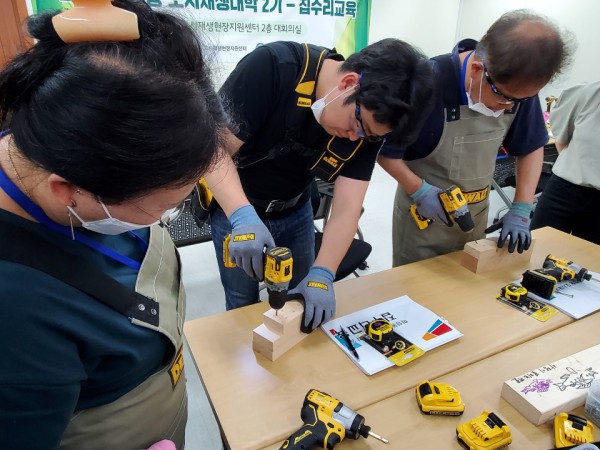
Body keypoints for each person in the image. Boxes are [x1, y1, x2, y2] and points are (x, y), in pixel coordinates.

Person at [0, 0, 228, 448]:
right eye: (161, 210)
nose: (163, 221)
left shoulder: (59, 144)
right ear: (68, 190)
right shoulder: (17, 312)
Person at [202, 39, 434, 331]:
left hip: (296, 212)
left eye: (369, 136)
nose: (354, 138)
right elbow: (213, 151)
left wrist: (323, 272)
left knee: (300, 303)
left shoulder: (367, 127)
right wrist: (242, 216)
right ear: (349, 83)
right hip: (235, 210)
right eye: (357, 125)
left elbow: (348, 207)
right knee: (240, 301)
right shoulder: (274, 67)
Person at [378, 9, 574, 266]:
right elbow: (385, 151)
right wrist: (419, 190)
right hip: (424, 216)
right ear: (477, 69)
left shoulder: (517, 88)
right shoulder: (427, 82)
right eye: (503, 97)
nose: (508, 107)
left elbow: (531, 146)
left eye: (519, 100)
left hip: (476, 213)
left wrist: (522, 208)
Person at [531, 81, 600, 244]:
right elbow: (561, 138)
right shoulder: (588, 94)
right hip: (564, 190)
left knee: (589, 263)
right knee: (537, 250)